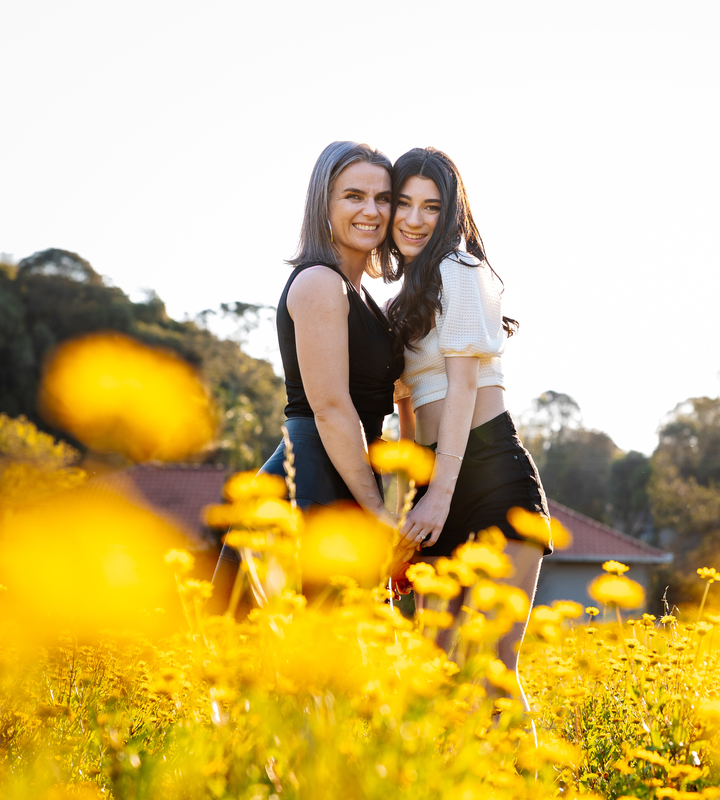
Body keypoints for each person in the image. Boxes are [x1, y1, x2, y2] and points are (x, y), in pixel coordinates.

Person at [387, 147, 551, 693]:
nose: (414, 219)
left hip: (489, 470)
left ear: (450, 214)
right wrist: (414, 505)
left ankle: (522, 782)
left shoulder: (459, 271)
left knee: (495, 667)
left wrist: (438, 495)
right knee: (439, 671)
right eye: (404, 203)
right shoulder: (403, 300)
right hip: (436, 475)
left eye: (430, 207)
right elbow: (409, 414)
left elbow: (461, 387)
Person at [211, 141, 404, 602]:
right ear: (324, 204)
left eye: (383, 198)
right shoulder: (320, 282)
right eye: (353, 196)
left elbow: (381, 390)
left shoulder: (361, 296)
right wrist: (377, 512)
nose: (371, 210)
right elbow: (333, 408)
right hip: (313, 481)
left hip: (346, 472)